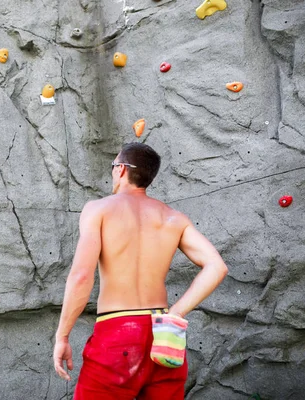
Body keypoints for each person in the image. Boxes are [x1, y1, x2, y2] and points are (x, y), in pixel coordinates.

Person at [53, 143, 228, 399]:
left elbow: (81, 276)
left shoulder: (98, 209)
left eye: (114, 167)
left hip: (118, 334)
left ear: (122, 169)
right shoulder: (174, 218)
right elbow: (217, 267)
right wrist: (176, 312)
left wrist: (62, 336)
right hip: (165, 337)